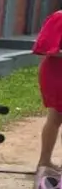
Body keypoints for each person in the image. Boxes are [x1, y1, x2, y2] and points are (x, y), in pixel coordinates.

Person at [32, 10, 62, 172]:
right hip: (57, 73)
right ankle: (44, 161)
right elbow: (43, 47)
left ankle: (44, 161)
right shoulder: (59, 17)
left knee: (55, 117)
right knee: (55, 117)